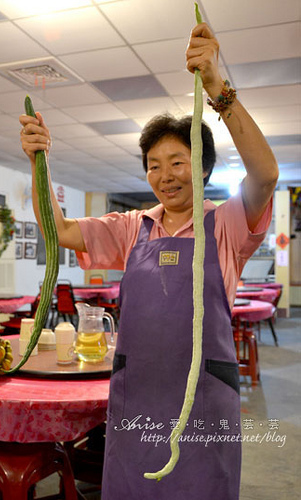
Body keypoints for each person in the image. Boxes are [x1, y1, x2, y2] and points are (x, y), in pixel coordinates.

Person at [19, 22, 278, 500]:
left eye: (177, 162)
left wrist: (219, 90)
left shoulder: (226, 225)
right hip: (136, 397)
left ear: (202, 168)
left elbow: (265, 174)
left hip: (202, 401)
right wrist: (41, 163)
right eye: (153, 165)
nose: (165, 175)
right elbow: (60, 231)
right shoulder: (132, 226)